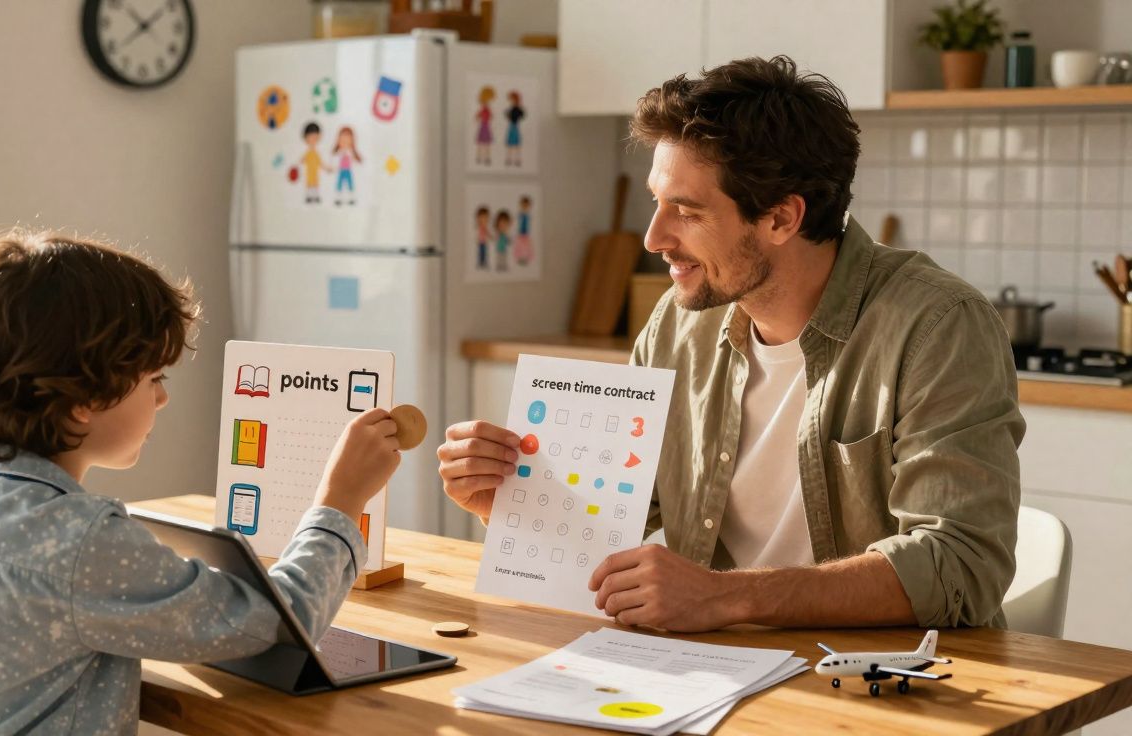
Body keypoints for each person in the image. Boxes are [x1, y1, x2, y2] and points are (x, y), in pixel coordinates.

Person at [437, 56, 1023, 632]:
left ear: (780, 218)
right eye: (655, 203)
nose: (653, 238)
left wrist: (726, 597)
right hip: (716, 673)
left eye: (687, 213)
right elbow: (616, 529)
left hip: (896, 686)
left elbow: (960, 566)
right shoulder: (675, 324)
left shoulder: (939, 325)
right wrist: (514, 510)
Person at [0, 230, 402, 734]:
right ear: (87, 397)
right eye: (153, 379)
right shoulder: (80, 541)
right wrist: (339, 501)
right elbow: (277, 625)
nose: (162, 397)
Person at [301, 121, 333, 203]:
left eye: (315, 138)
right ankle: (309, 197)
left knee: (315, 185)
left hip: (315, 173)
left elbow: (320, 163)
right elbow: (302, 161)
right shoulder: (308, 153)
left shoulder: (316, 153)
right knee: (309, 185)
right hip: (309, 173)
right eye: (311, 137)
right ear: (305, 138)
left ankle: (315, 197)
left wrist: (327, 168)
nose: (313, 140)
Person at [333, 125, 362, 206]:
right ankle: (338, 198)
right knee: (339, 184)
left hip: (348, 170)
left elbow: (354, 160)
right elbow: (335, 160)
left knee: (350, 184)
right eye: (343, 139)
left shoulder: (350, 152)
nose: (345, 141)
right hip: (341, 170)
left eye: (348, 139)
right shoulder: (339, 152)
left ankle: (351, 198)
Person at [475, 86, 495, 166]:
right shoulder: (484, 109)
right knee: (483, 143)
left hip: (485, 126)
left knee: (485, 143)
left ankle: (485, 158)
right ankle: (481, 157)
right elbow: (477, 116)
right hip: (484, 126)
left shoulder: (487, 109)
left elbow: (491, 116)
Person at [505, 90, 525, 167]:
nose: (511, 101)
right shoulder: (512, 109)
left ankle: (517, 159)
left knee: (516, 145)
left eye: (511, 99)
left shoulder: (517, 109)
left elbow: (522, 114)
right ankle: (509, 159)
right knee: (511, 144)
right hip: (512, 126)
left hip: (515, 126)